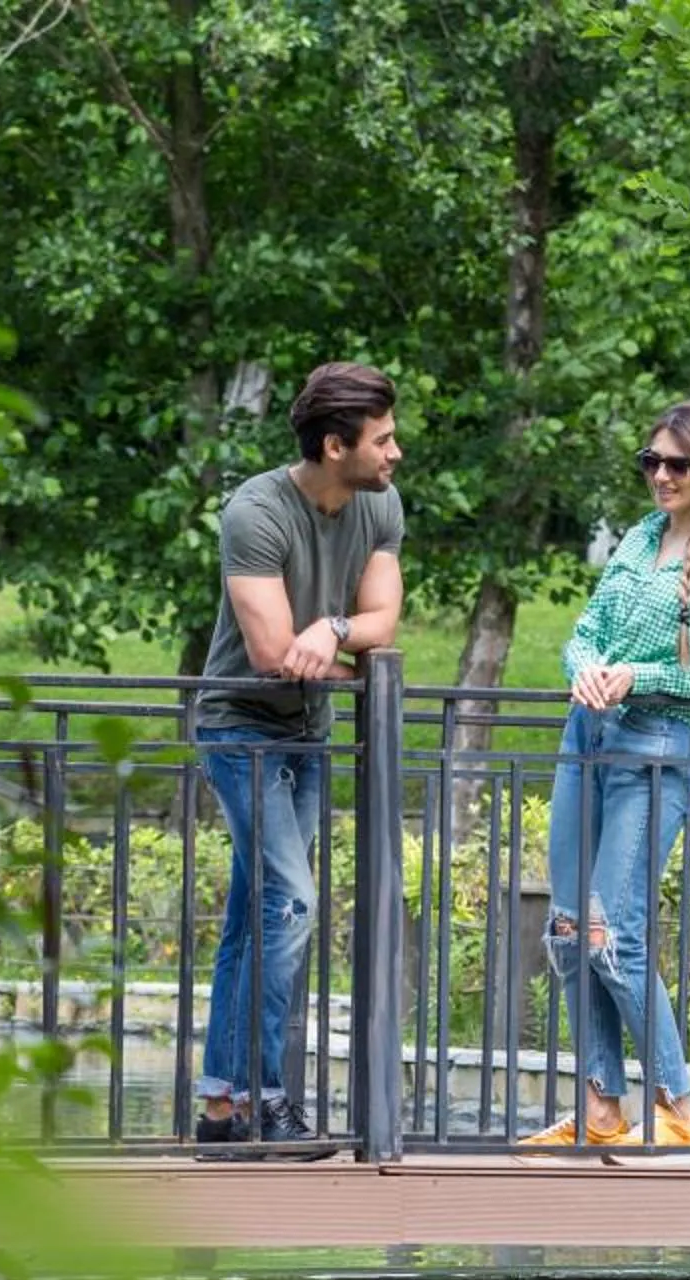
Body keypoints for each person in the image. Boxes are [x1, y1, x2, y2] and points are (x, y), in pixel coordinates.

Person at [519, 399, 690, 1157]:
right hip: (585, 734)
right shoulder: (638, 536)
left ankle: (677, 1106)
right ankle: (600, 1108)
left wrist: (636, 676)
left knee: (610, 931)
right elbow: (586, 631)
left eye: (676, 464)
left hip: (652, 745)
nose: (660, 475)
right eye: (651, 461)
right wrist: (587, 671)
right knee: (568, 931)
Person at [191, 362, 406, 1156]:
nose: (395, 453)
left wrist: (333, 631)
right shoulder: (255, 512)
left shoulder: (379, 503)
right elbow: (272, 653)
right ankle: (267, 1098)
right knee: (290, 904)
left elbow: (381, 618)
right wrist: (327, 652)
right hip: (239, 726)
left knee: (257, 916)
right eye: (382, 440)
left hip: (307, 731)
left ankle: (222, 1109)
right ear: (334, 445)